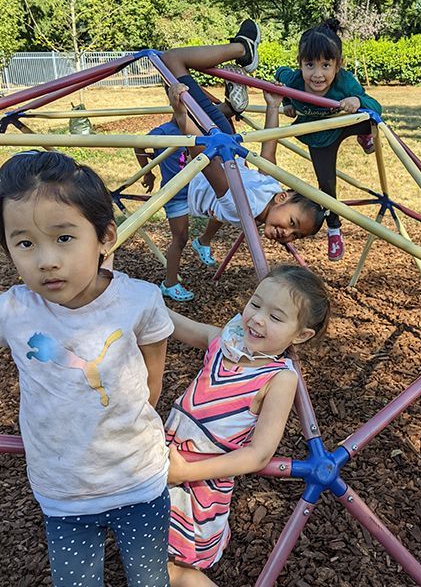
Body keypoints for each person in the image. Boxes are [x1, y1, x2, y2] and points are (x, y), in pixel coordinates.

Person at [0, 151, 174, 586]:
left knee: (150, 579)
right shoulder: (13, 311)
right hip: (64, 493)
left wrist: (141, 406)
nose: (46, 260)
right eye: (24, 243)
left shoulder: (139, 300)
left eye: (63, 238)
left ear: (105, 237)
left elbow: (155, 366)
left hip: (139, 481)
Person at [164, 265, 330, 586]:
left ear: (301, 335)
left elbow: (258, 455)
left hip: (197, 486)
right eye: (255, 304)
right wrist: (133, 298)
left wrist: (184, 473)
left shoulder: (278, 379)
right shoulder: (224, 343)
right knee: (146, 552)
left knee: (172, 570)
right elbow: (177, 324)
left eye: (276, 317)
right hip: (167, 467)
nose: (256, 319)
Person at [133, 66, 250, 301]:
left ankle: (204, 241)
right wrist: (148, 173)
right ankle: (170, 282)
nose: (195, 116)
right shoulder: (164, 132)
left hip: (199, 188)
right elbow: (139, 145)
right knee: (180, 237)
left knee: (223, 208)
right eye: (187, 111)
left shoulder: (204, 130)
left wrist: (232, 100)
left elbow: (220, 110)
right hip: (176, 192)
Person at [167, 79, 326, 248]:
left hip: (186, 174)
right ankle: (190, 75)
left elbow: (209, 166)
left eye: (296, 236)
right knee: (182, 78)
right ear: (282, 197)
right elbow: (269, 150)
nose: (287, 234)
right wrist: (273, 106)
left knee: (176, 75)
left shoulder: (244, 211)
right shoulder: (270, 192)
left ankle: (174, 74)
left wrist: (181, 115)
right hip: (214, 155)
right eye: (292, 223)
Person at [275, 19, 383, 261]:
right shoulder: (293, 80)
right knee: (326, 185)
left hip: (343, 124)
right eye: (310, 65)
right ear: (300, 64)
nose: (317, 74)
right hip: (319, 134)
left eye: (326, 65)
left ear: (338, 66)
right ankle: (334, 228)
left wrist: (357, 101)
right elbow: (280, 76)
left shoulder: (345, 82)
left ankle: (364, 135)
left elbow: (376, 107)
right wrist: (288, 103)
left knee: (368, 118)